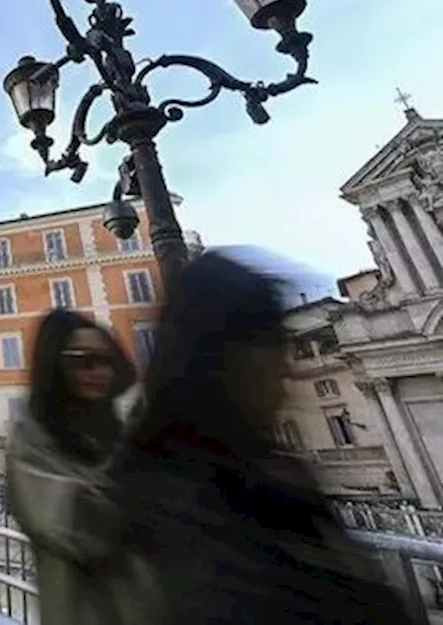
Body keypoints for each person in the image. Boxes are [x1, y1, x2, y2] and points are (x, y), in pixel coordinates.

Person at [112, 252, 414, 624]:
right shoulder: (193, 509)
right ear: (221, 356)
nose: (287, 366)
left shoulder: (253, 474)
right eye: (271, 342)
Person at [2, 309, 143, 625]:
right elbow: (84, 525)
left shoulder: (116, 428)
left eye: (107, 360)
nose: (100, 371)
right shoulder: (30, 441)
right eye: (83, 360)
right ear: (56, 364)